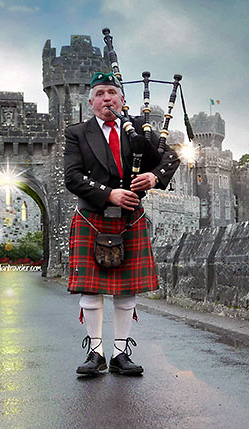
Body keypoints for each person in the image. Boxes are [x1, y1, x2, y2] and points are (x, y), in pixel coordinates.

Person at [64, 71, 179, 376]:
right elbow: (72, 177)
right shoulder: (77, 133)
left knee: (126, 291)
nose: (107, 98)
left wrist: (155, 176)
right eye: (100, 93)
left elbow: (171, 158)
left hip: (130, 219)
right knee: (91, 290)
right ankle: (95, 352)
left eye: (112, 93)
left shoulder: (138, 129)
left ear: (122, 99)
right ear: (91, 102)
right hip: (92, 216)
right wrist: (109, 194)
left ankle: (120, 353)